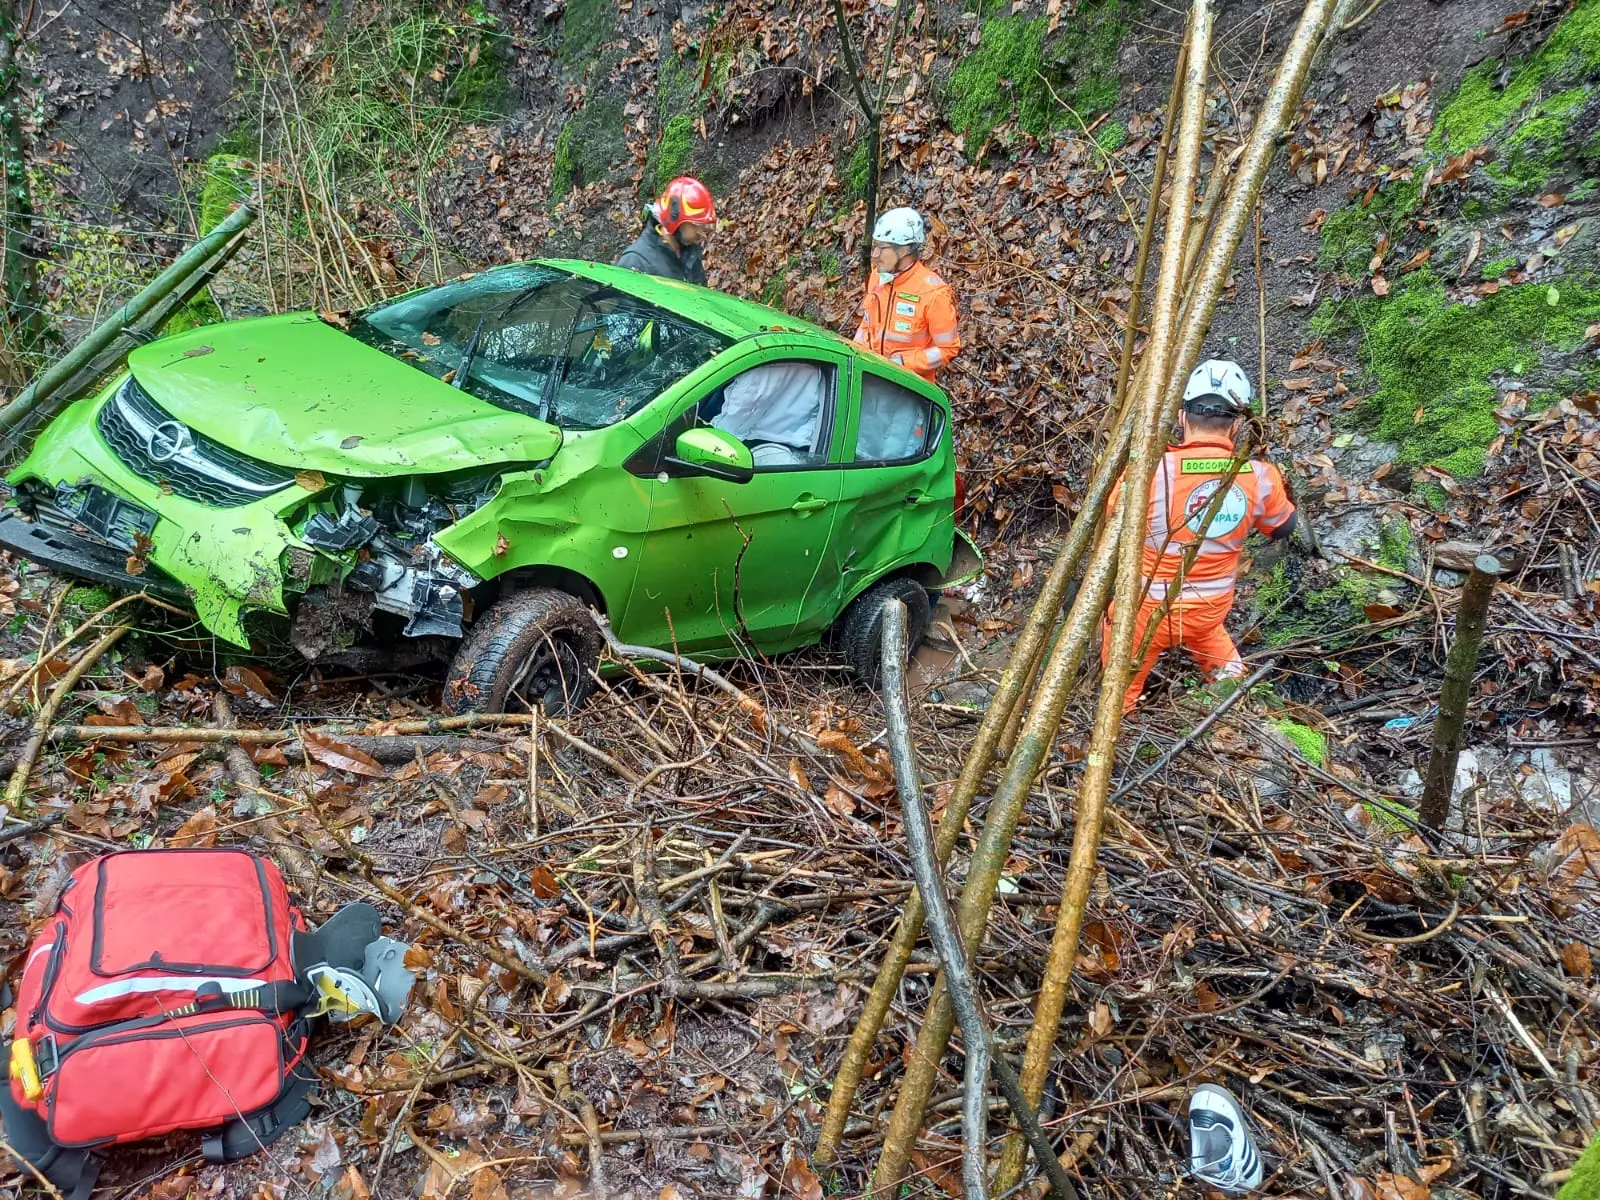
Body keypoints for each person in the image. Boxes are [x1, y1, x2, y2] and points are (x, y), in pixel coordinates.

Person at [1103, 359, 1303, 713]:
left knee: (1117, 699)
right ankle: (1229, 709)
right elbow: (1284, 527)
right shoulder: (1259, 476)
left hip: (1141, 614)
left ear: (1182, 418)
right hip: (1207, 616)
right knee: (1231, 681)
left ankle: (1122, 727)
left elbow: (1112, 525)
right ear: (1238, 425)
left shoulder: (1147, 471)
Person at [853, 207, 961, 383]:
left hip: (909, 387)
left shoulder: (933, 293)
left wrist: (900, 363)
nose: (875, 255)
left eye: (882, 248)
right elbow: (867, 323)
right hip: (870, 377)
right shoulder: (877, 276)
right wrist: (854, 353)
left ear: (903, 251)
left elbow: (948, 348)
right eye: (875, 247)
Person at [710, 362, 826, 467]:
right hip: (797, 447)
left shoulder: (766, 368)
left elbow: (731, 427)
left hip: (762, 452)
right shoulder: (813, 368)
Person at [616, 176, 716, 284]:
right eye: (697, 224)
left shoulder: (689, 254)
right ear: (675, 220)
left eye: (705, 226)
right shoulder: (636, 262)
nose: (702, 232)